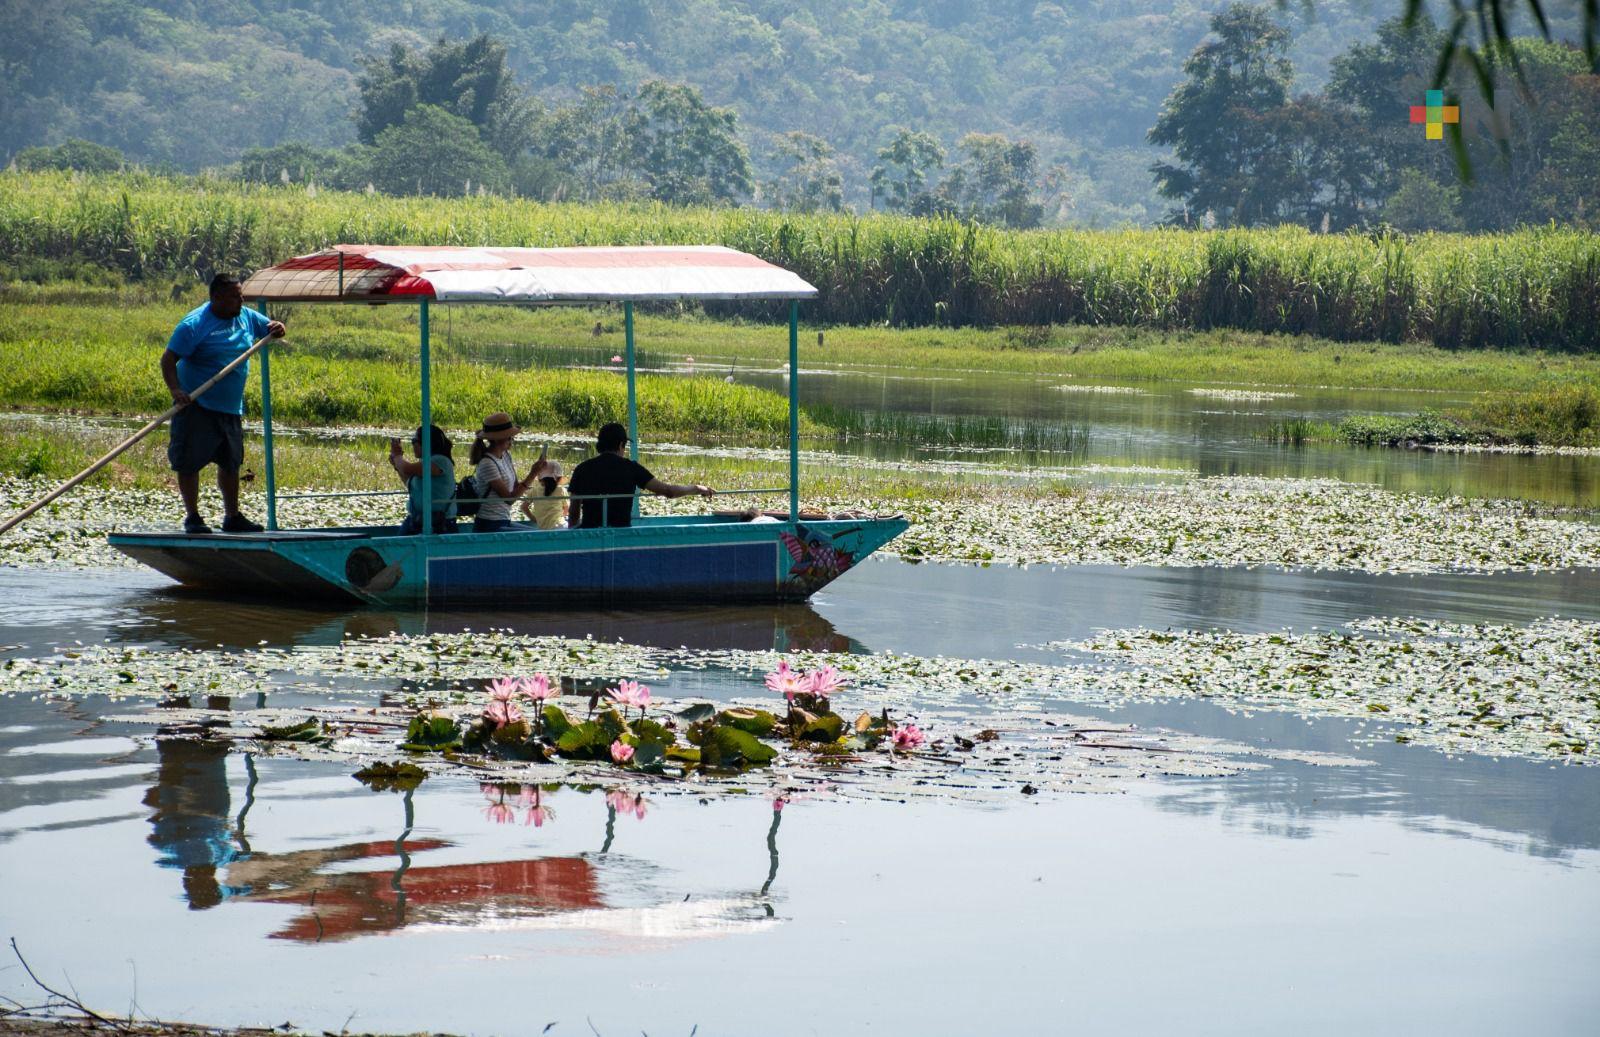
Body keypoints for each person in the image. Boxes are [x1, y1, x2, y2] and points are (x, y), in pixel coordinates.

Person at [162, 273, 286, 534]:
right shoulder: (194, 325)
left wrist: (276, 327)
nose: (240, 302)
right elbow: (168, 360)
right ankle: (193, 517)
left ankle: (232, 517)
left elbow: (269, 328)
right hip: (197, 404)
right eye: (234, 298)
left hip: (230, 407)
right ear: (216, 298)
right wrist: (176, 390)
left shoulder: (245, 316)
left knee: (230, 463)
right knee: (189, 462)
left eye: (241, 297)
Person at [567, 422, 715, 529]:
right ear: (620, 445)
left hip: (589, 533)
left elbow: (573, 513)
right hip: (621, 534)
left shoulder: (582, 469)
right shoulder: (631, 468)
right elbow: (668, 491)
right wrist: (696, 488)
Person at [469, 412, 545, 533]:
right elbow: (509, 499)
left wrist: (537, 474)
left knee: (538, 534)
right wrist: (533, 473)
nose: (512, 440)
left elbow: (515, 487)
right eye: (510, 437)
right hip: (489, 524)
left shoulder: (505, 456)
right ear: (499, 439)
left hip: (504, 520)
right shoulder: (487, 464)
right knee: (534, 538)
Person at [389, 424, 457, 535]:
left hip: (440, 523)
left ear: (426, 443)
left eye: (414, 441)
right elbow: (410, 483)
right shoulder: (426, 462)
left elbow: (406, 468)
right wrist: (397, 466)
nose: (413, 445)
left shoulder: (440, 461)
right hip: (418, 519)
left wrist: (397, 455)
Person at [520, 460, 569, 530]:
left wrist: (534, 519)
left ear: (541, 478)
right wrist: (562, 516)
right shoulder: (561, 490)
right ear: (559, 478)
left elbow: (523, 507)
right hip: (560, 527)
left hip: (542, 528)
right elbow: (566, 509)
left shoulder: (534, 490)